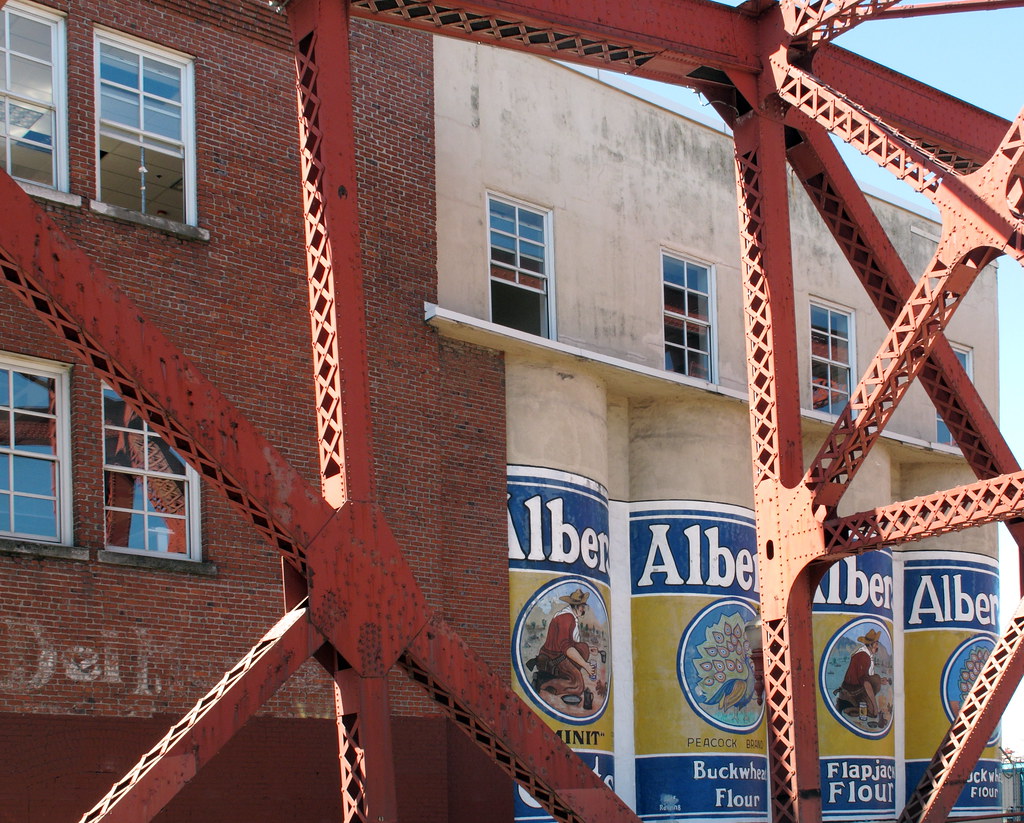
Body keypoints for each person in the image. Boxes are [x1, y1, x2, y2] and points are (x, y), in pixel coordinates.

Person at [527, 588, 598, 707]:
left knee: (584, 648)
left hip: (559, 654)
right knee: (578, 685)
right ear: (577, 606)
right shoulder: (566, 618)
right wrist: (586, 666)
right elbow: (566, 647)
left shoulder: (570, 616)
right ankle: (543, 682)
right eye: (582, 606)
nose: (584, 609)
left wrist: (589, 648)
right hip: (554, 657)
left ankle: (561, 676)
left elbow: (571, 643)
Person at [838, 628, 889, 719]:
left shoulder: (867, 654)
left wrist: (880, 681)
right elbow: (865, 681)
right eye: (876, 644)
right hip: (852, 691)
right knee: (872, 712)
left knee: (876, 678)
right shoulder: (863, 656)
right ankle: (848, 708)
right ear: (870, 645)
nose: (877, 646)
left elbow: (868, 677)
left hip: (857, 687)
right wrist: (875, 704)